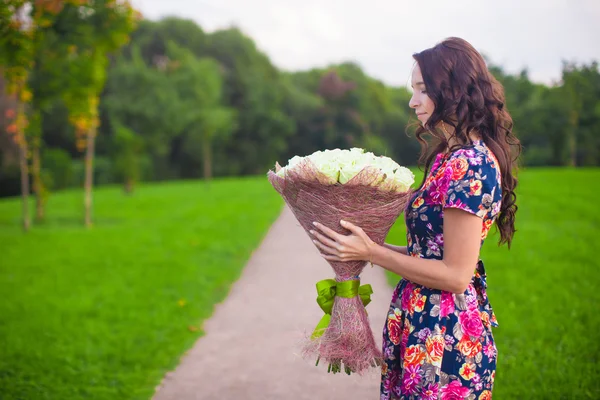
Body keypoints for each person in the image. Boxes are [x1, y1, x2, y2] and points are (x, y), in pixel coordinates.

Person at [309, 37, 520, 399]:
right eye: (413, 90)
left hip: (446, 339)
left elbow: (455, 275)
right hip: (419, 323)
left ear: (452, 90)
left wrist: (375, 254)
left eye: (423, 90)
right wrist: (364, 246)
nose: (413, 101)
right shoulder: (446, 158)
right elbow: (430, 252)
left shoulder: (470, 164)